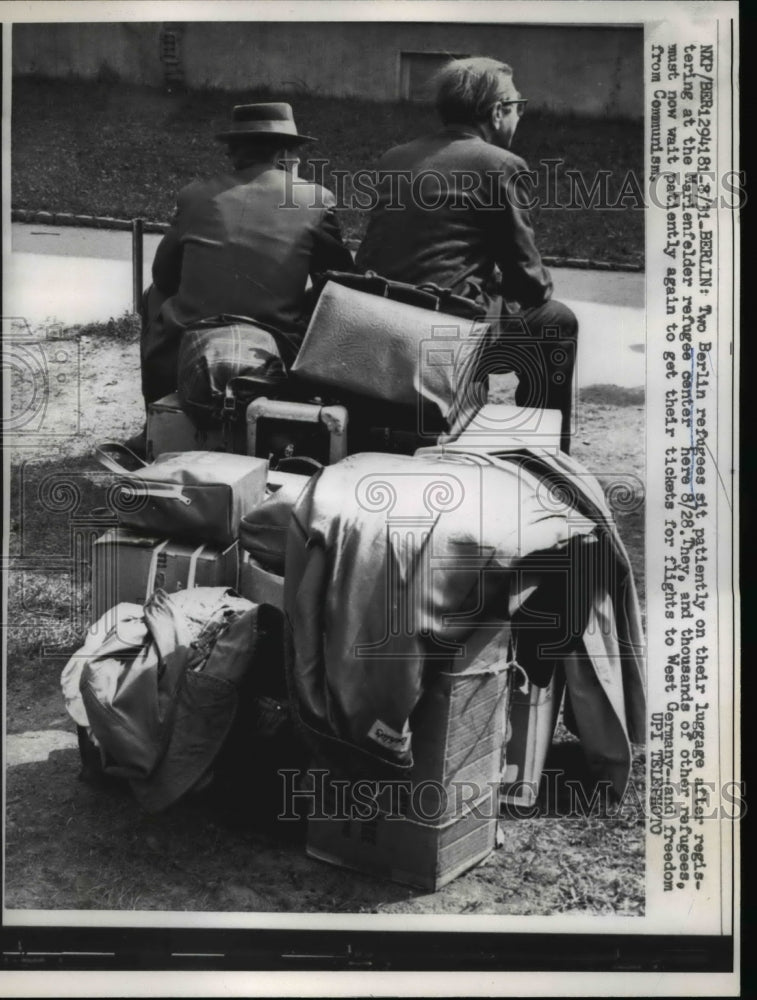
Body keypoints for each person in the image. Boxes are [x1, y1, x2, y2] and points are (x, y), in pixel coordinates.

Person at [356, 57, 577, 452]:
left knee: (485, 302)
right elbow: (530, 284)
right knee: (557, 320)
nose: (518, 117)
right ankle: (545, 456)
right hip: (443, 331)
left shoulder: (394, 157)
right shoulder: (501, 165)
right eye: (517, 107)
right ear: (497, 112)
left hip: (377, 322)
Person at [129, 102, 354, 456]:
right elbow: (338, 283)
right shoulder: (314, 198)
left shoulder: (195, 195)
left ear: (233, 150)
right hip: (274, 345)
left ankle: (152, 420)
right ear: (286, 152)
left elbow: (163, 277)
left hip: (189, 339)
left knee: (152, 295)